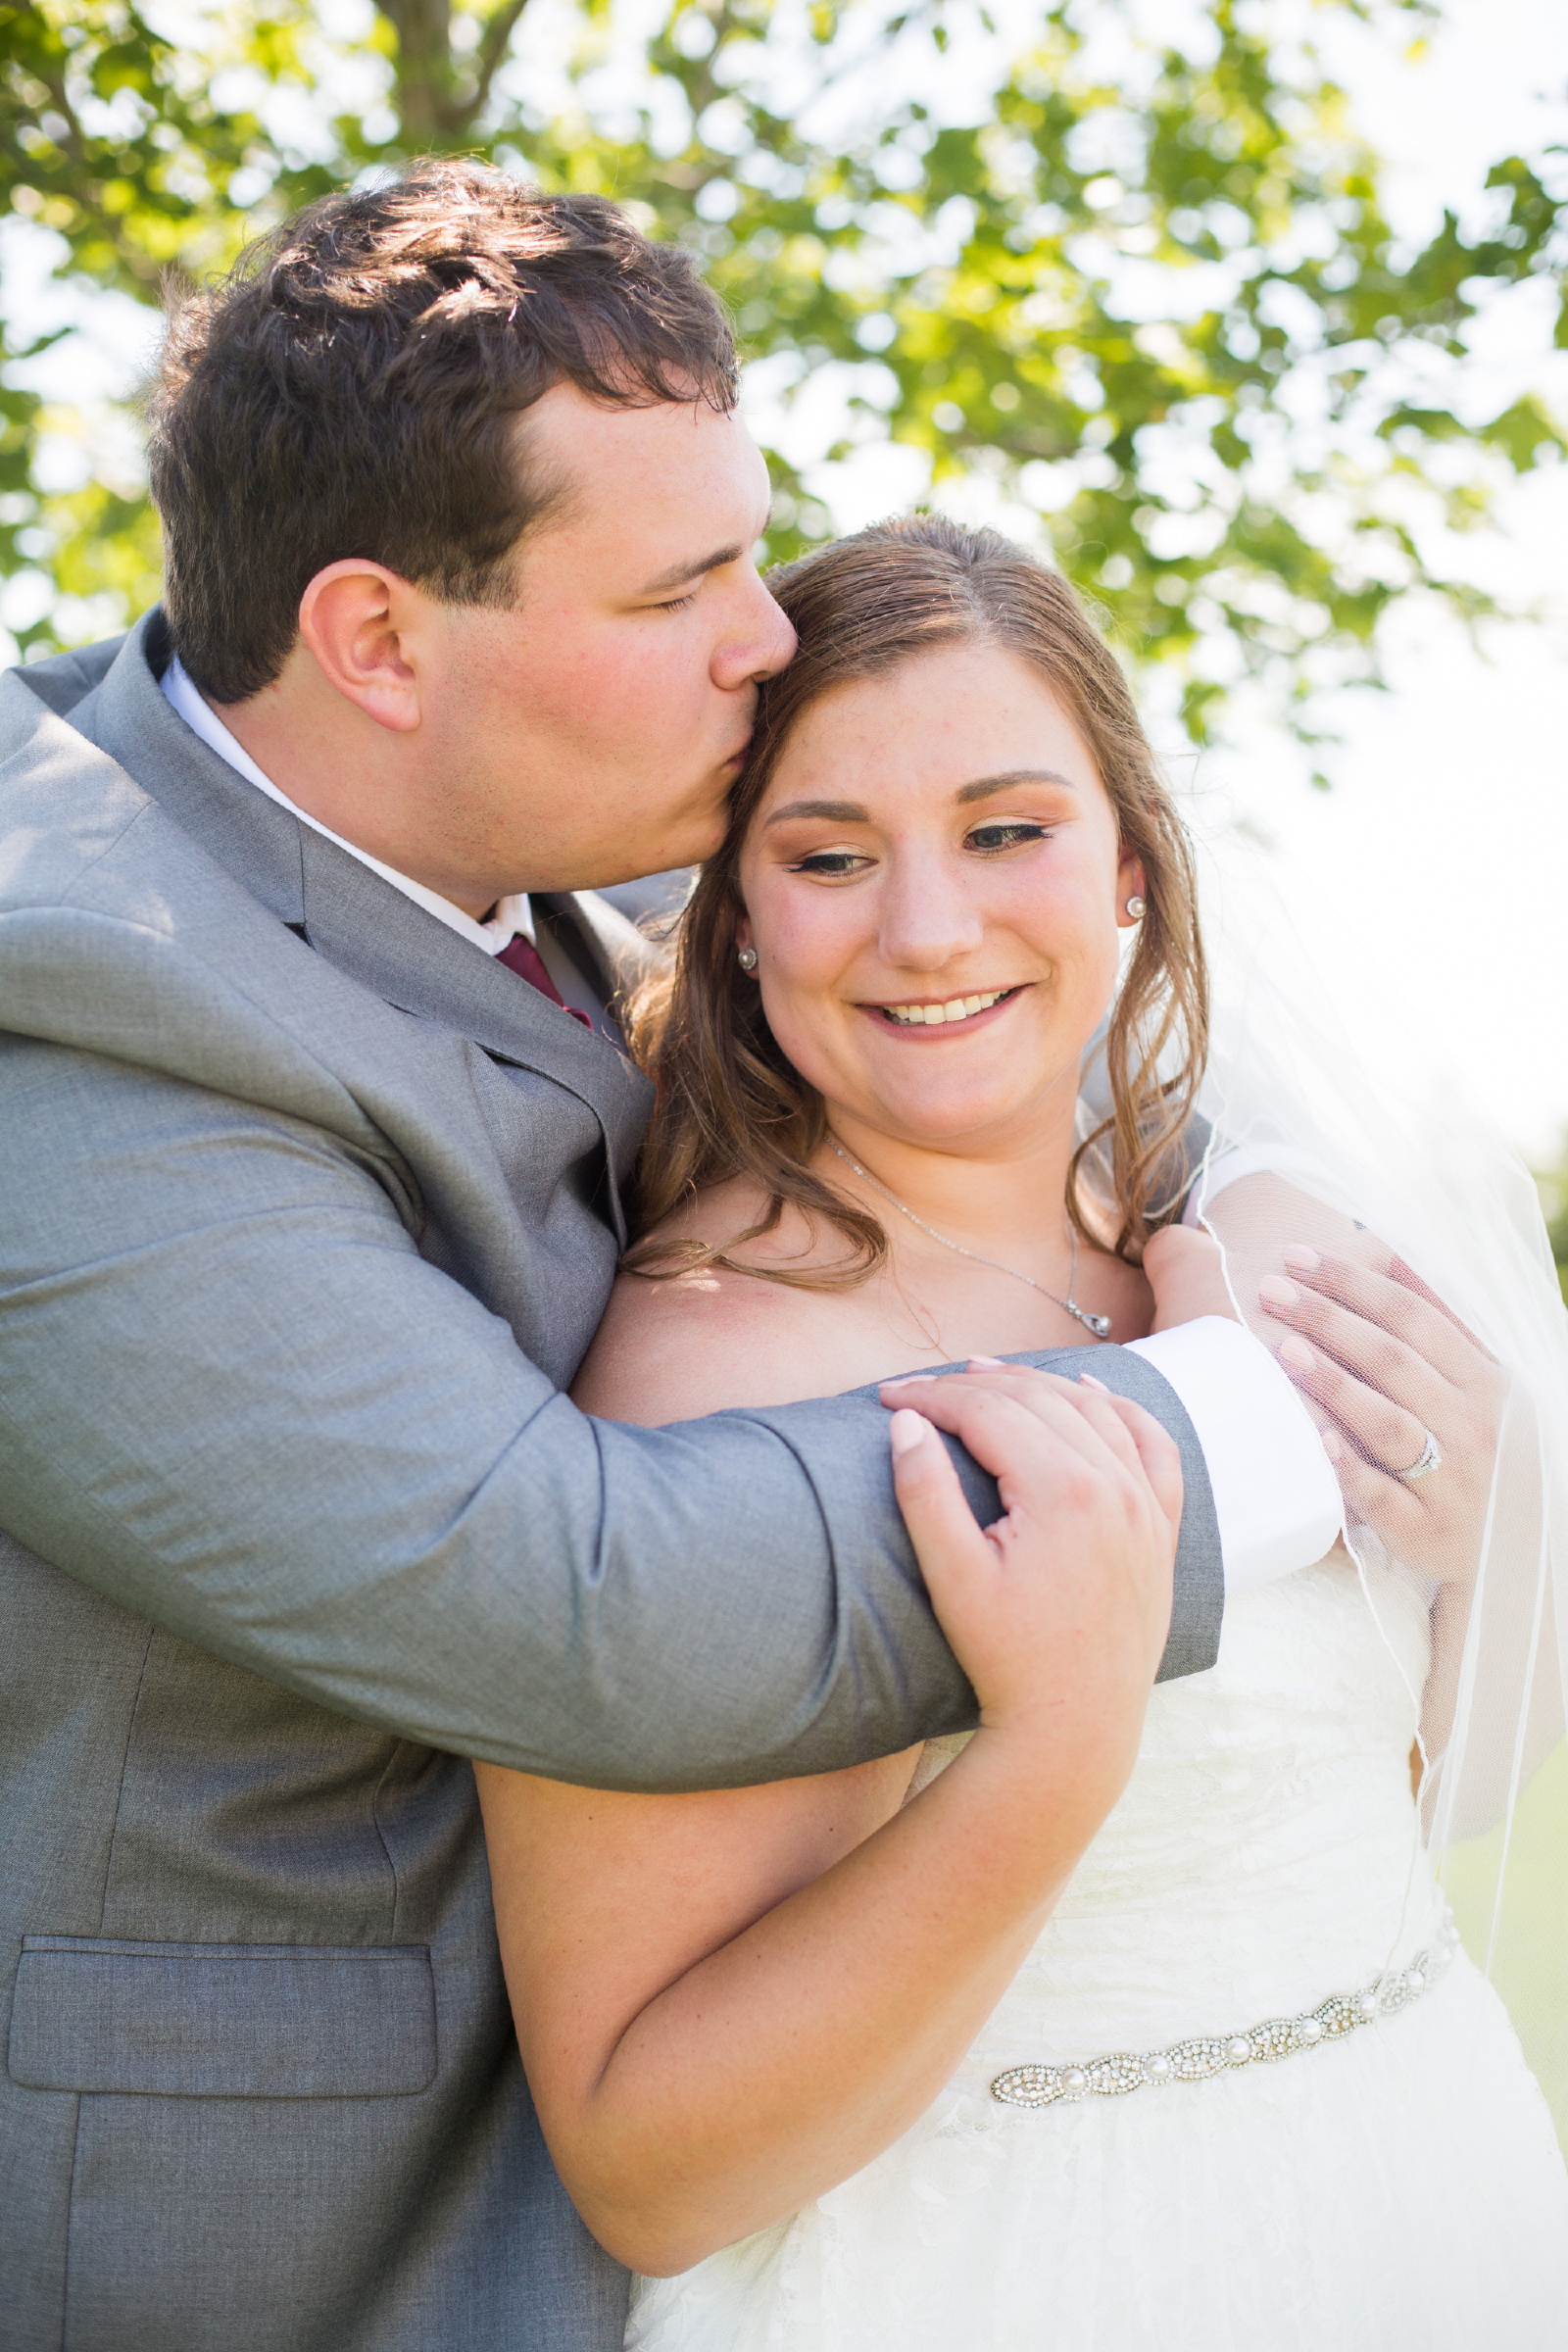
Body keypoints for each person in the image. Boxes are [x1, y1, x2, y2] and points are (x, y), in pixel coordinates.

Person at [0, 164, 1385, 2352]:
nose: (765, 639)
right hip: (273, 2252)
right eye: (685, 588)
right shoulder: (68, 1012)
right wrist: (1254, 1410)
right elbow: (576, 1596)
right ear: (376, 639)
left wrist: (1236, 1204)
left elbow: (946, 1010)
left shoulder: (527, 861)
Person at [474, 516, 1568, 2349]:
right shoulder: (708, 1386)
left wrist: (1498, 1538)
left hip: (1428, 2180)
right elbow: (649, 2161)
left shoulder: (1284, 1240)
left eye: (1008, 831)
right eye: (831, 856)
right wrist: (1050, 1744)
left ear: (1131, 864)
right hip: (1018, 2272)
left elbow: (1405, 1806)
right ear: (736, 917)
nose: (931, 928)